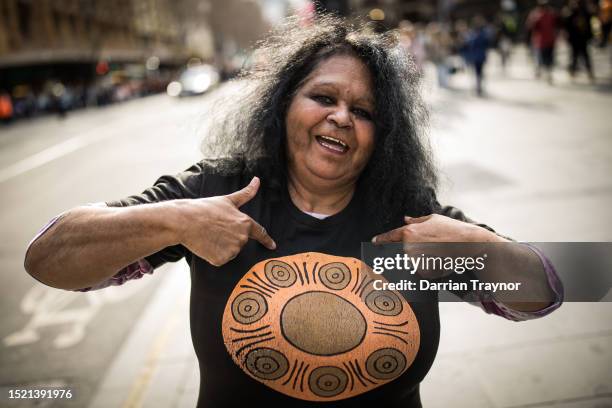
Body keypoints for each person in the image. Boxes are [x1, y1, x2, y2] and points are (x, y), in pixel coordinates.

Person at [24, 16, 563, 407]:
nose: (341, 118)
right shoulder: (224, 193)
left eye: (364, 111)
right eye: (323, 98)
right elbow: (49, 258)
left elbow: (550, 290)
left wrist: (481, 251)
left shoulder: (404, 222)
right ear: (283, 105)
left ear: (384, 136)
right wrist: (176, 220)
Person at [527, 0, 560, 84]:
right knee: (543, 57)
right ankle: (544, 72)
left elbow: (557, 25)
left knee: (546, 57)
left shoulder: (550, 14)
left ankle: (546, 72)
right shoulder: (537, 15)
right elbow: (531, 27)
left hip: (546, 40)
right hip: (541, 41)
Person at [563, 0, 596, 80]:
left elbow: (591, 19)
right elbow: (566, 24)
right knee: (574, 56)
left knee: (585, 55)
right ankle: (573, 71)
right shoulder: (571, 13)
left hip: (583, 38)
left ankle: (589, 72)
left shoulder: (585, 12)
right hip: (574, 39)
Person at [462, 16, 492, 96]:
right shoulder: (474, 34)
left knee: (479, 72)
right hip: (476, 56)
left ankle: (479, 87)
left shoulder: (481, 34)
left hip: (479, 56)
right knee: (477, 72)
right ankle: (478, 87)